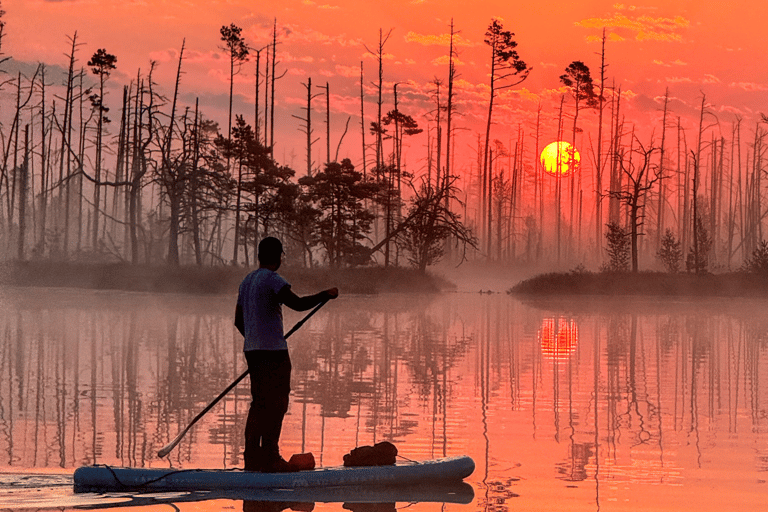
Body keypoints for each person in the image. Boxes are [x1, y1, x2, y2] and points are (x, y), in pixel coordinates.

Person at [235, 236, 338, 472]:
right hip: (273, 353)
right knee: (277, 402)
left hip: (253, 351)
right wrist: (326, 294)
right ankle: (270, 458)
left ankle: (252, 458)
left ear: (260, 255)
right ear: (278, 257)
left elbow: (238, 321)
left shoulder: (246, 281)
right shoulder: (273, 279)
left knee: (259, 403)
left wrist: (254, 338)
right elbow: (299, 304)